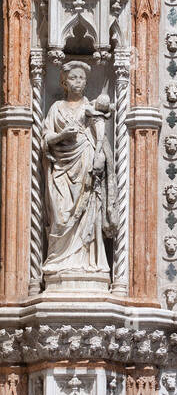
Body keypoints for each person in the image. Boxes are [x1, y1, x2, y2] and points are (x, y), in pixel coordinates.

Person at [43, 62, 115, 284]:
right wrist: (61, 135)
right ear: (64, 82)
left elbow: (101, 136)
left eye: (82, 78)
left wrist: (100, 159)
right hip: (61, 168)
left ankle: (90, 263)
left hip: (85, 161)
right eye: (73, 78)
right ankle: (58, 262)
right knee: (60, 214)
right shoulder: (56, 108)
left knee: (87, 212)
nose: (78, 82)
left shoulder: (89, 107)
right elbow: (45, 138)